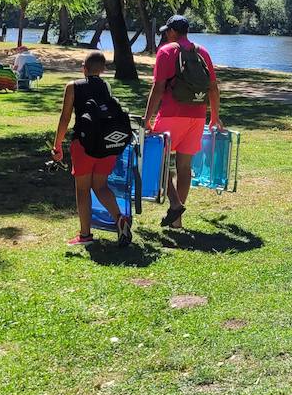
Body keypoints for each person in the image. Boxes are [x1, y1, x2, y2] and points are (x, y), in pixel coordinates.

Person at [142, 15, 219, 230]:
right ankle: (177, 221)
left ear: (174, 32)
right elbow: (213, 86)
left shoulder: (166, 52)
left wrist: (146, 119)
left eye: (167, 31)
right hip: (197, 115)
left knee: (156, 161)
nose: (166, 35)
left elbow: (158, 88)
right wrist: (214, 116)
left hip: (171, 113)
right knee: (184, 167)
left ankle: (175, 204)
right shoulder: (201, 52)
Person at [51, 51, 131, 247]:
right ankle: (119, 218)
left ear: (83, 68)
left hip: (84, 144)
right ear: (102, 70)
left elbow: (65, 118)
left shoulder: (73, 86)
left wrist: (57, 145)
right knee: (101, 186)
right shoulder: (106, 86)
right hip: (106, 145)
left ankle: (85, 235)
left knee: (83, 189)